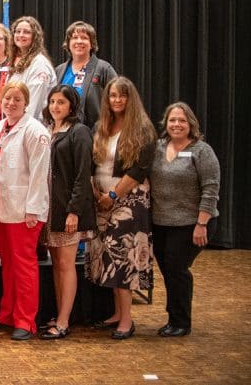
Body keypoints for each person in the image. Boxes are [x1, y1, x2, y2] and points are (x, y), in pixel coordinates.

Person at [88, 76, 156, 340]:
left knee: (122, 259)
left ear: (131, 99)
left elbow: (139, 170)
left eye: (122, 96)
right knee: (108, 258)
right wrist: (98, 193)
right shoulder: (101, 125)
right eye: (113, 96)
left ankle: (127, 320)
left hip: (129, 201)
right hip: (102, 199)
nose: (117, 100)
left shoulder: (142, 130)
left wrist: (114, 195)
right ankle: (117, 312)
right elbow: (94, 163)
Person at [0, 81, 51, 341]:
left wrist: (33, 209)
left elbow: (39, 174)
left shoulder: (35, 131)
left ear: (26, 102)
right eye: (7, 98)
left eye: (17, 99)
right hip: (0, 206)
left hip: (24, 210)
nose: (11, 103)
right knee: (7, 262)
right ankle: (7, 314)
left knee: (24, 264)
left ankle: (25, 320)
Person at [150, 102, 220, 337]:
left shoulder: (202, 151)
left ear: (191, 124)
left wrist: (202, 224)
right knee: (169, 270)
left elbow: (211, 190)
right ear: (166, 123)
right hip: (161, 222)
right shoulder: (158, 147)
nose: (177, 124)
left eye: (181, 120)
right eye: (172, 120)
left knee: (177, 268)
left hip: (192, 223)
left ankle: (181, 321)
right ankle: (174, 317)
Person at [39, 85, 96, 340]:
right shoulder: (48, 130)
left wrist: (74, 211)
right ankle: (61, 314)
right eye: (52, 101)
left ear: (72, 105)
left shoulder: (79, 132)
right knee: (56, 266)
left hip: (67, 209)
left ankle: (63, 321)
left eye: (61, 102)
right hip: (49, 207)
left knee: (66, 265)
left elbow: (83, 175)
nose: (55, 106)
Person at [54, 21, 118, 129]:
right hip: (63, 134)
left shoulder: (104, 69)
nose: (79, 41)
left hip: (96, 135)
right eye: (74, 37)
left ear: (92, 43)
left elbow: (118, 100)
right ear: (68, 43)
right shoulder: (59, 71)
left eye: (84, 38)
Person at [8, 17, 56, 119]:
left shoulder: (39, 64)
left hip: (33, 125)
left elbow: (34, 104)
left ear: (35, 36)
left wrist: (22, 128)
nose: (21, 35)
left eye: (26, 32)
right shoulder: (14, 61)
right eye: (18, 31)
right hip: (16, 121)